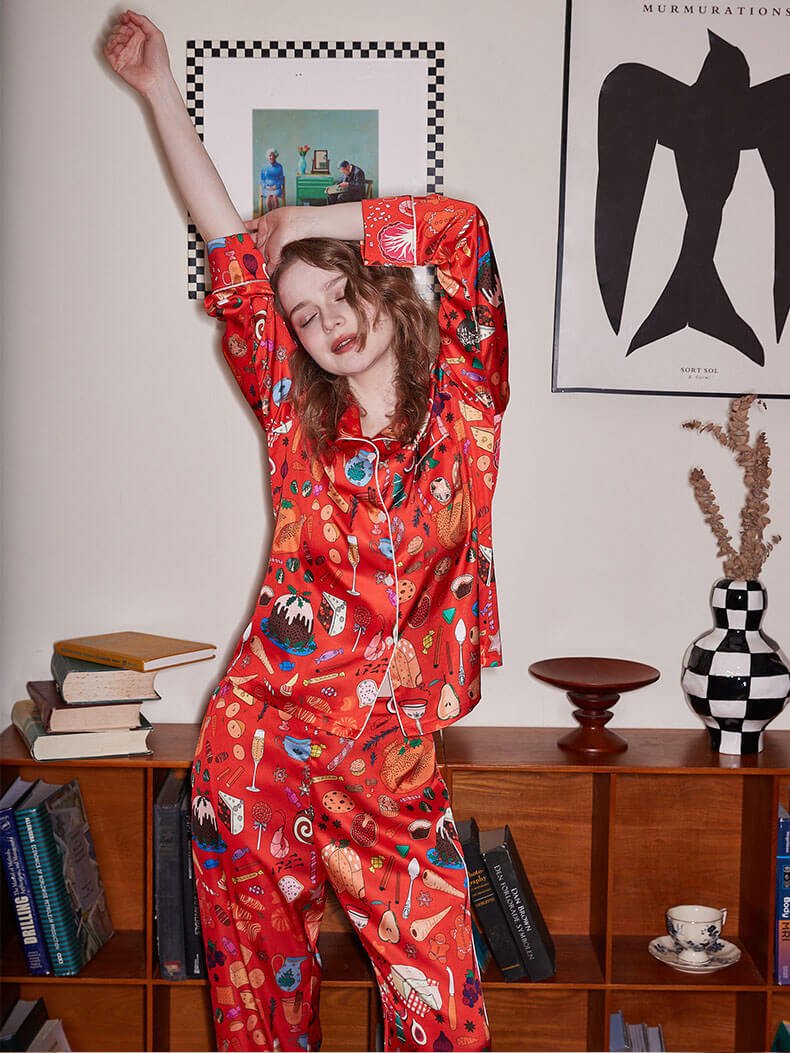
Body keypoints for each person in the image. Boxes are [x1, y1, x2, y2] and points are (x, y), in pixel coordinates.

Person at [105, 10, 508, 1053]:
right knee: (261, 1017)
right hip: (261, 743)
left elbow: (463, 234)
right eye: (304, 313)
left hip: (390, 760)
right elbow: (228, 260)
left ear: (379, 280)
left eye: (341, 291)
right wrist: (158, 91)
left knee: (444, 1014)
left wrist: (318, 222)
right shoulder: (295, 422)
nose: (328, 320)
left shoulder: (465, 403)